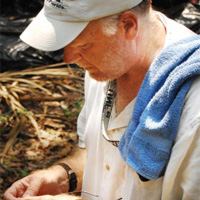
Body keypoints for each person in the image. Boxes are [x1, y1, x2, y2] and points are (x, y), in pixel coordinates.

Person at [3, 0, 200, 200]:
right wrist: (62, 176)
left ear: (128, 25)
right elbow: (93, 154)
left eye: (82, 44)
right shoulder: (109, 61)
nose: (68, 57)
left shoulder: (193, 108)